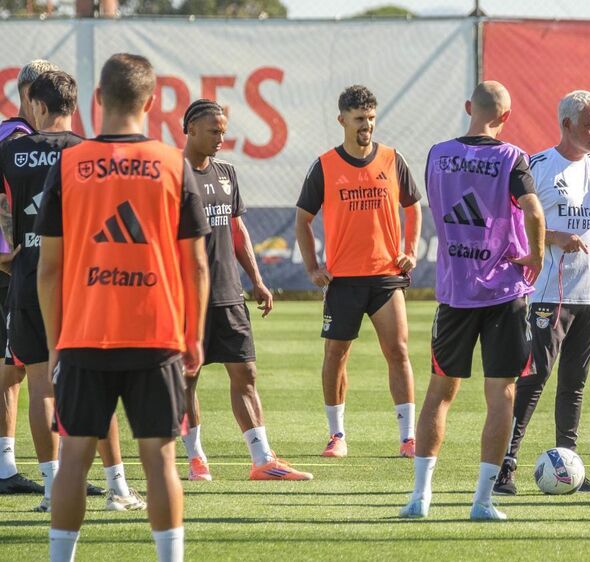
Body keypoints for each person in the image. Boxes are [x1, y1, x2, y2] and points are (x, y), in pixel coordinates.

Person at [39, 53, 210, 561]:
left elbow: (48, 269)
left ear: (97, 100)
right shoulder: (172, 164)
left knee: (73, 459)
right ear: (152, 103)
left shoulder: (69, 164)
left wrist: (55, 347)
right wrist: (194, 337)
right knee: (159, 460)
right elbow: (197, 266)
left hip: (84, 335)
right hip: (156, 334)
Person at [0, 70, 147, 513]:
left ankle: (51, 489)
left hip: (29, 275)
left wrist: (9, 251)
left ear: (37, 107)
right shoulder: (93, 153)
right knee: (96, 382)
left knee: (43, 384)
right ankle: (117, 487)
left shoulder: (8, 153)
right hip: (89, 278)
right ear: (75, 107)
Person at [400, 80, 545, 521]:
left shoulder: (437, 153)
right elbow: (535, 212)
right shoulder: (511, 156)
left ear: (469, 107)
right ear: (506, 117)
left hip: (454, 294)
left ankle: (420, 498)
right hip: (504, 293)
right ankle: (482, 501)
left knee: (439, 395)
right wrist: (536, 255)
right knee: (501, 394)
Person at [494, 90, 590, 496]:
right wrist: (554, 236)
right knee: (536, 376)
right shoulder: (539, 165)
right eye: (589, 124)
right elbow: (514, 224)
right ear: (566, 125)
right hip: (550, 293)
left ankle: (569, 465)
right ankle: (504, 466)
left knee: (575, 382)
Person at [178, 99, 311, 482]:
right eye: (214, 131)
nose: (222, 138)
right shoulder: (171, 174)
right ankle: (196, 458)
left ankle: (262, 459)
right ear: (191, 130)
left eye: (223, 130)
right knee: (187, 379)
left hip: (228, 294)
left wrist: (257, 280)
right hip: (187, 299)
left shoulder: (226, 173)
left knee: (246, 374)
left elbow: (237, 230)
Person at [295, 85, 421, 459]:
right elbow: (302, 220)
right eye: (358, 119)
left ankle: (408, 438)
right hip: (343, 279)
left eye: (370, 118)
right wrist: (313, 267)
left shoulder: (392, 159)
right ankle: (336, 436)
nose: (366, 125)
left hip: (385, 276)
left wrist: (409, 251)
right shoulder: (325, 165)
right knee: (336, 354)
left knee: (398, 351)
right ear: (342, 121)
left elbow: (414, 208)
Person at [0, 59, 57, 496]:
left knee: (15, 370)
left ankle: (7, 466)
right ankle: (7, 469)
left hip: (24, 269)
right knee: (15, 370)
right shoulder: (13, 137)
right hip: (16, 271)